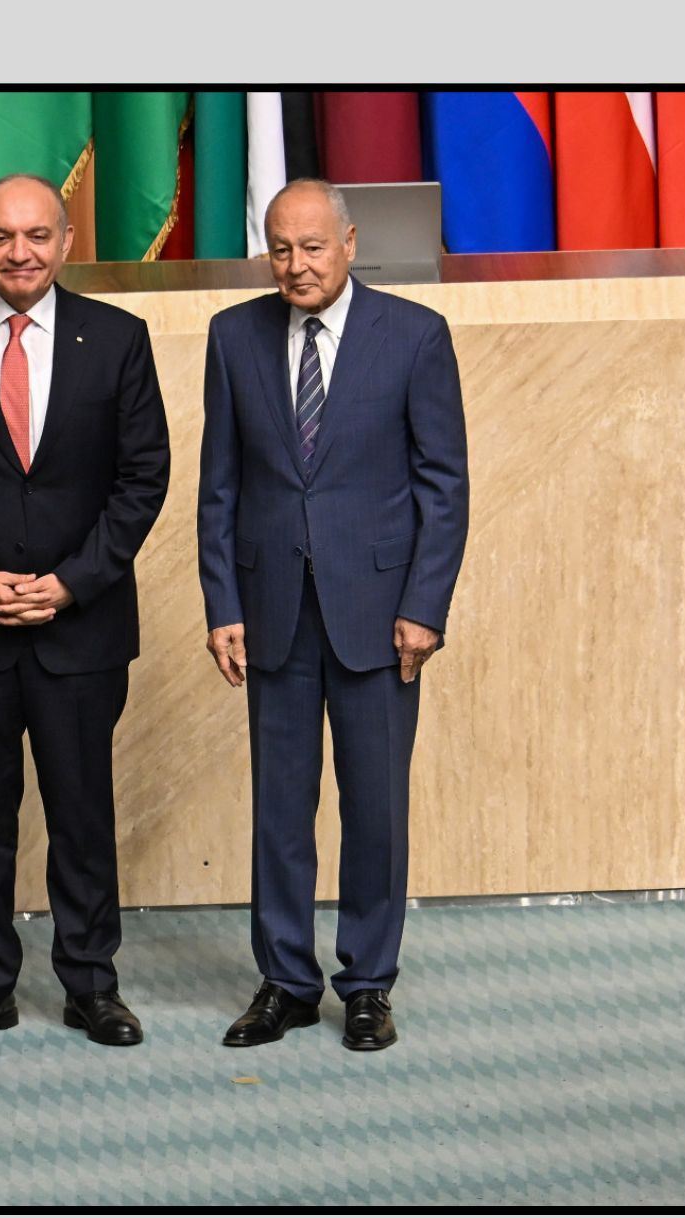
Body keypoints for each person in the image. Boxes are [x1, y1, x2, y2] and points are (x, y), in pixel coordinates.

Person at [0, 175, 171, 1054]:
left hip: (81, 626)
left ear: (67, 240)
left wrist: (72, 582)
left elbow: (143, 478)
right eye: (3, 236)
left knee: (82, 815)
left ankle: (92, 984)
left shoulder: (118, 339)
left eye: (38, 235)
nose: (21, 253)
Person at [199, 179, 469, 1054]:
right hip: (272, 611)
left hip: (380, 617)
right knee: (280, 809)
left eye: (313, 247)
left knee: (375, 809)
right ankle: (285, 981)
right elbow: (219, 487)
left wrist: (425, 607)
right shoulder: (233, 336)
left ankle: (367, 984)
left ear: (350, 244)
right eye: (281, 248)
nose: (296, 265)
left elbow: (443, 485)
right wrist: (222, 604)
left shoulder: (416, 335)